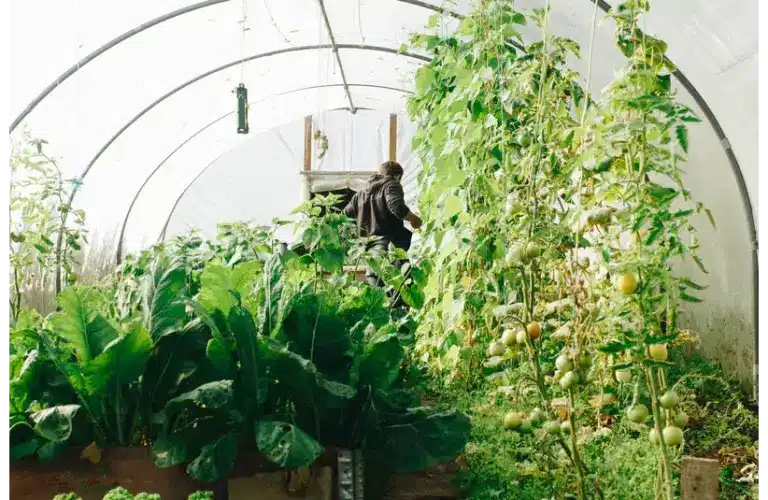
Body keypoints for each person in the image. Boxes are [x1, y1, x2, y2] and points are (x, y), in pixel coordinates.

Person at [342, 161, 422, 297]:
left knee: (379, 295)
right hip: (389, 249)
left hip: (370, 252)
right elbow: (396, 207)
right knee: (401, 292)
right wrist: (414, 219)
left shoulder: (360, 195)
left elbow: (343, 216)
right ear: (397, 176)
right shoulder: (391, 184)